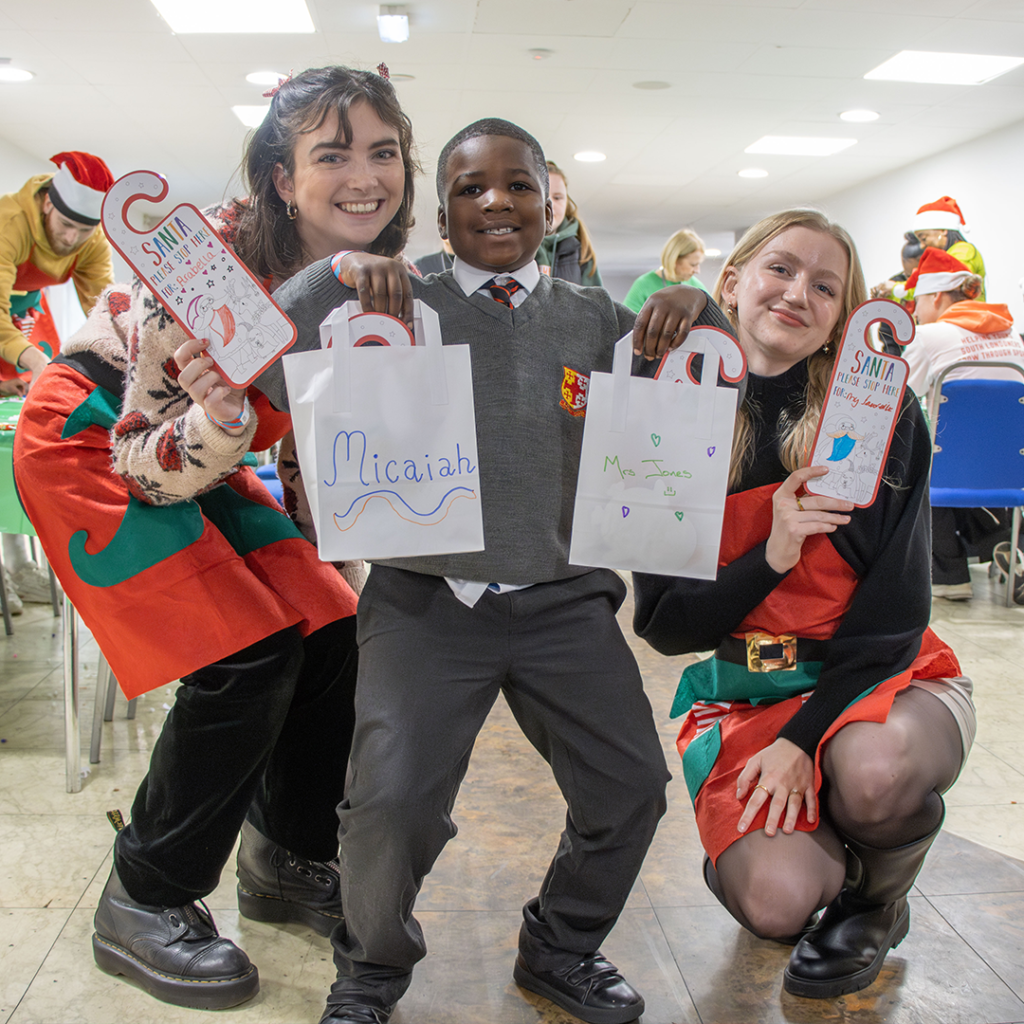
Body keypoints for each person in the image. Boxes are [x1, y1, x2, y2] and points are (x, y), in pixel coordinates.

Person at [256, 117, 723, 1024]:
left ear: (553, 206)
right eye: (470, 188)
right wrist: (340, 266)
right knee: (389, 803)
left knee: (630, 788)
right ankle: (371, 968)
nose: (496, 201)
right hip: (426, 602)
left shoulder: (598, 319)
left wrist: (699, 309)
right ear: (441, 216)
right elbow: (266, 353)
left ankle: (561, 945)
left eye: (518, 185)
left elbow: (711, 388)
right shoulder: (392, 301)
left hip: (563, 600)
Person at [14, 64, 418, 1010]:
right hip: (96, 441)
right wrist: (227, 423)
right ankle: (143, 896)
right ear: (282, 176)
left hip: (207, 447)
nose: (365, 177)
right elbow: (142, 461)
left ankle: (283, 858)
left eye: (384, 152)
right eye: (332, 154)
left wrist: (347, 561)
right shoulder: (205, 265)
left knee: (333, 625)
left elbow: (323, 449)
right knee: (248, 652)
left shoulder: (365, 281)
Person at [632, 209, 975, 1000]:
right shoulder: (670, 416)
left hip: (886, 684)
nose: (797, 294)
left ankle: (875, 899)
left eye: (825, 287)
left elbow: (894, 619)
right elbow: (666, 627)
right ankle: (830, 851)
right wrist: (773, 554)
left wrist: (803, 737)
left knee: (874, 773)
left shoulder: (883, 417)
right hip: (746, 694)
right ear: (733, 282)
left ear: (842, 317)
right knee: (776, 905)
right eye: (780, 269)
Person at [902, 246, 1024, 600]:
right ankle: (1003, 541)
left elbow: (900, 398)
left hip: (947, 472)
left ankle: (949, 573)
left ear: (936, 296)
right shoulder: (1013, 337)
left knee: (921, 453)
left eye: (917, 301)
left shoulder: (927, 337)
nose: (915, 311)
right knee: (965, 451)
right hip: (1010, 475)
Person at [0, 150, 115, 387]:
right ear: (47, 204)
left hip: (24, 310)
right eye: (65, 224)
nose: (72, 238)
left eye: (84, 230)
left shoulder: (94, 242)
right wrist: (34, 360)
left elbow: (106, 312)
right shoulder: (8, 224)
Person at [535, 159, 602, 285]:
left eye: (557, 198)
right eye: (542, 196)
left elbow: (594, 296)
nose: (550, 204)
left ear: (567, 202)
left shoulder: (582, 250)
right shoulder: (515, 246)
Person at [623, 227, 709, 313]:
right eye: (693, 265)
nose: (697, 271)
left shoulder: (697, 287)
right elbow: (628, 319)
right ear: (675, 260)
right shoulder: (643, 285)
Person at [912, 195, 985, 297]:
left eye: (924, 238)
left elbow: (947, 283)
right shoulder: (949, 254)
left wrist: (897, 289)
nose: (922, 246)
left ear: (943, 231)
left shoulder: (964, 250)